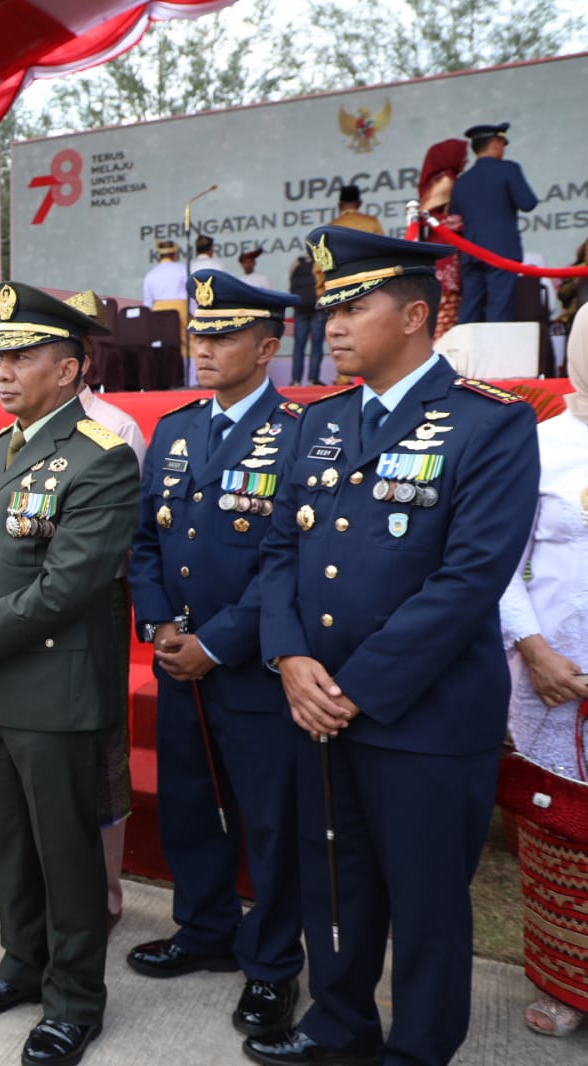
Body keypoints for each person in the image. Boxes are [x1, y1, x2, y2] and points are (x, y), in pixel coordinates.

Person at [251, 226, 541, 1066]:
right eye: (326, 307)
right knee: (333, 879)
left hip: (424, 714)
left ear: (415, 314)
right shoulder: (320, 420)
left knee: (424, 902)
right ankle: (337, 1025)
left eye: (352, 305)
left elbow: (468, 579)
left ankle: (416, 1050)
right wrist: (290, 659)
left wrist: (349, 687)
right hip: (315, 700)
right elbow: (280, 550)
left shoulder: (489, 424)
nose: (331, 324)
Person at [0, 283, 138, 1066]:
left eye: (21, 358)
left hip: (54, 687)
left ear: (71, 367)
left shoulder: (101, 456)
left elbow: (74, 579)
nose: (2, 372)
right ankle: (21, 964)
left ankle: (75, 999)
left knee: (66, 854)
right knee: (10, 843)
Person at [126, 270, 307, 1047]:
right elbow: (144, 539)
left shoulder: (300, 433)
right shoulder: (174, 428)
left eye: (223, 335)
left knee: (270, 822)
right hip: (177, 661)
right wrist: (161, 622)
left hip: (254, 667)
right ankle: (201, 930)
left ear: (266, 348)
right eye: (197, 334)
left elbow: (287, 556)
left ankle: (270, 964)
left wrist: (216, 643)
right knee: (191, 807)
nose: (202, 347)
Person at [497, 307, 588, 1040]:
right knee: (560, 835)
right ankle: (565, 984)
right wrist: (534, 650)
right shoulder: (540, 445)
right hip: (553, 680)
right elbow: (499, 565)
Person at [78, 377, 145, 933]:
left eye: (24, 356)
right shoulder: (10, 437)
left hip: (96, 603)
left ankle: (106, 893)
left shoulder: (116, 428)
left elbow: (132, 535)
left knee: (103, 751)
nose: (6, 370)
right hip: (27, 616)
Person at [451, 121, 538, 324]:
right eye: (502, 144)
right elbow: (528, 203)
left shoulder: (462, 181)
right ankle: (496, 353)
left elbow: (455, 217)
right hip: (501, 250)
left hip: (470, 251)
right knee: (500, 304)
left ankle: (466, 354)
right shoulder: (509, 169)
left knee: (470, 305)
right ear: (495, 144)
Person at [416, 139, 469, 339]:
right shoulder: (446, 180)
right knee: (445, 313)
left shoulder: (439, 180)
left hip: (439, 252)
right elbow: (429, 218)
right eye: (462, 155)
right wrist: (467, 223)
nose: (465, 160)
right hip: (444, 251)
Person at [288, 251, 327, 385]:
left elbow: (291, 284)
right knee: (316, 346)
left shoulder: (296, 263)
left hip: (300, 309)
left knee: (299, 346)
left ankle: (295, 380)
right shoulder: (321, 262)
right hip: (317, 309)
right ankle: (313, 379)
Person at [143, 240, 188, 310]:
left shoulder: (150, 275)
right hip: (181, 314)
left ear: (159, 256)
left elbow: (148, 304)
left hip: (158, 315)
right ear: (175, 255)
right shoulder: (183, 269)